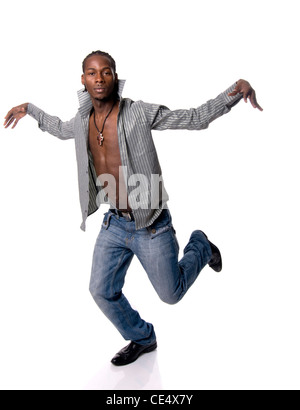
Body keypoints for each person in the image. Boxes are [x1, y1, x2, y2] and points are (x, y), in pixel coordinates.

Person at [4, 50, 263, 366]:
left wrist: (232, 93)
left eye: (106, 72)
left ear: (115, 76)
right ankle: (143, 338)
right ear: (83, 79)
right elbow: (60, 128)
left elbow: (195, 117)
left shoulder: (138, 113)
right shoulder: (83, 120)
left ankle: (202, 246)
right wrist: (30, 109)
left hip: (151, 225)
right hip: (115, 224)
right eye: (92, 72)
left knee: (171, 294)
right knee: (100, 291)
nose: (99, 78)